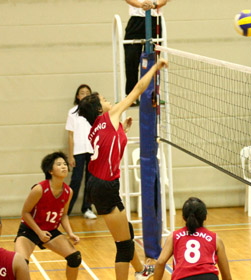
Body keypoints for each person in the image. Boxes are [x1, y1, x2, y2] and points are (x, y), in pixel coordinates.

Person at [77, 58, 168, 280]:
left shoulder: (95, 129)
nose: (110, 101)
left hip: (100, 184)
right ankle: (138, 272)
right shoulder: (109, 116)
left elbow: (109, 147)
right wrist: (155, 68)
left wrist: (122, 132)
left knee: (126, 230)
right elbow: (137, 90)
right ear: (100, 109)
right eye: (105, 100)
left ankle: (139, 270)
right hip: (104, 186)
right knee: (124, 244)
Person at [14, 152, 81, 280]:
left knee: (75, 257)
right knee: (20, 264)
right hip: (30, 230)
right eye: (59, 164)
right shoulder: (39, 189)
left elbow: (64, 215)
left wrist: (70, 233)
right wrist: (39, 232)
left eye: (65, 164)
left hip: (50, 231)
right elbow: (25, 213)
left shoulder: (68, 191)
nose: (64, 167)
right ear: (50, 170)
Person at [154, 197, 232, 280]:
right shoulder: (216, 239)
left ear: (183, 217)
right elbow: (227, 277)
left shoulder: (174, 236)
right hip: (209, 277)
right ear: (205, 217)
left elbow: (160, 262)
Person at [124, 0, 168, 98]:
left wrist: (154, 5)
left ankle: (151, 94)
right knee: (131, 58)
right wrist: (141, 5)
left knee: (152, 60)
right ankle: (131, 95)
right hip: (136, 21)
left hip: (154, 20)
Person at [65, 84, 96, 219]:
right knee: (76, 181)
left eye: (87, 92)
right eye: (82, 93)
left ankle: (87, 208)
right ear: (78, 96)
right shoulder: (72, 112)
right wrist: (70, 155)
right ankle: (67, 210)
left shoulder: (95, 111)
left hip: (92, 151)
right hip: (78, 152)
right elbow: (70, 135)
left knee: (90, 181)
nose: (85, 95)